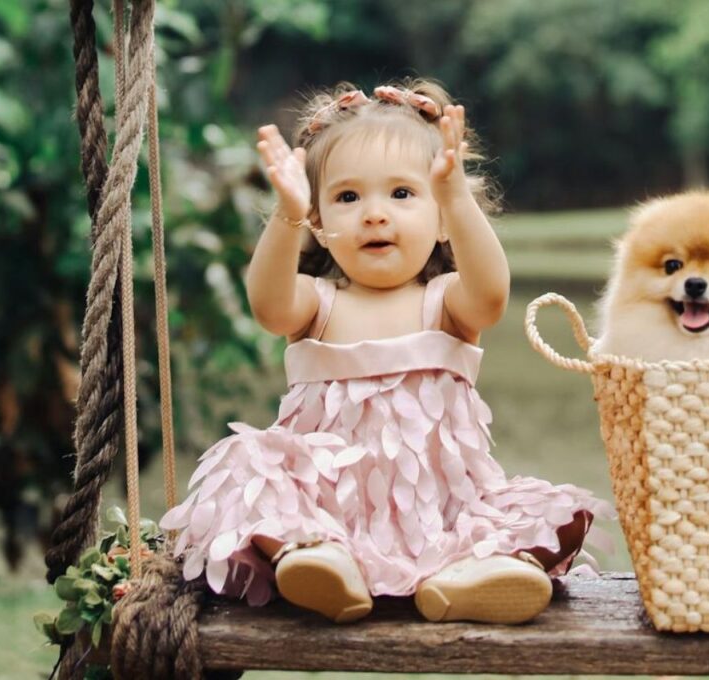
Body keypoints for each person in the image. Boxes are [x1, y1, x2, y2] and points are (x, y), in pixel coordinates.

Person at [160, 80, 614, 624]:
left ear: (440, 218)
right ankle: (318, 561)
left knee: (552, 517)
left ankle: (465, 577)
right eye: (348, 197)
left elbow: (492, 295)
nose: (374, 214)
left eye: (402, 194)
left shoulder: (445, 302)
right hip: (326, 511)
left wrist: (457, 198)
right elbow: (268, 306)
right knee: (243, 466)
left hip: (443, 516)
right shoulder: (315, 305)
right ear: (321, 226)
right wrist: (286, 215)